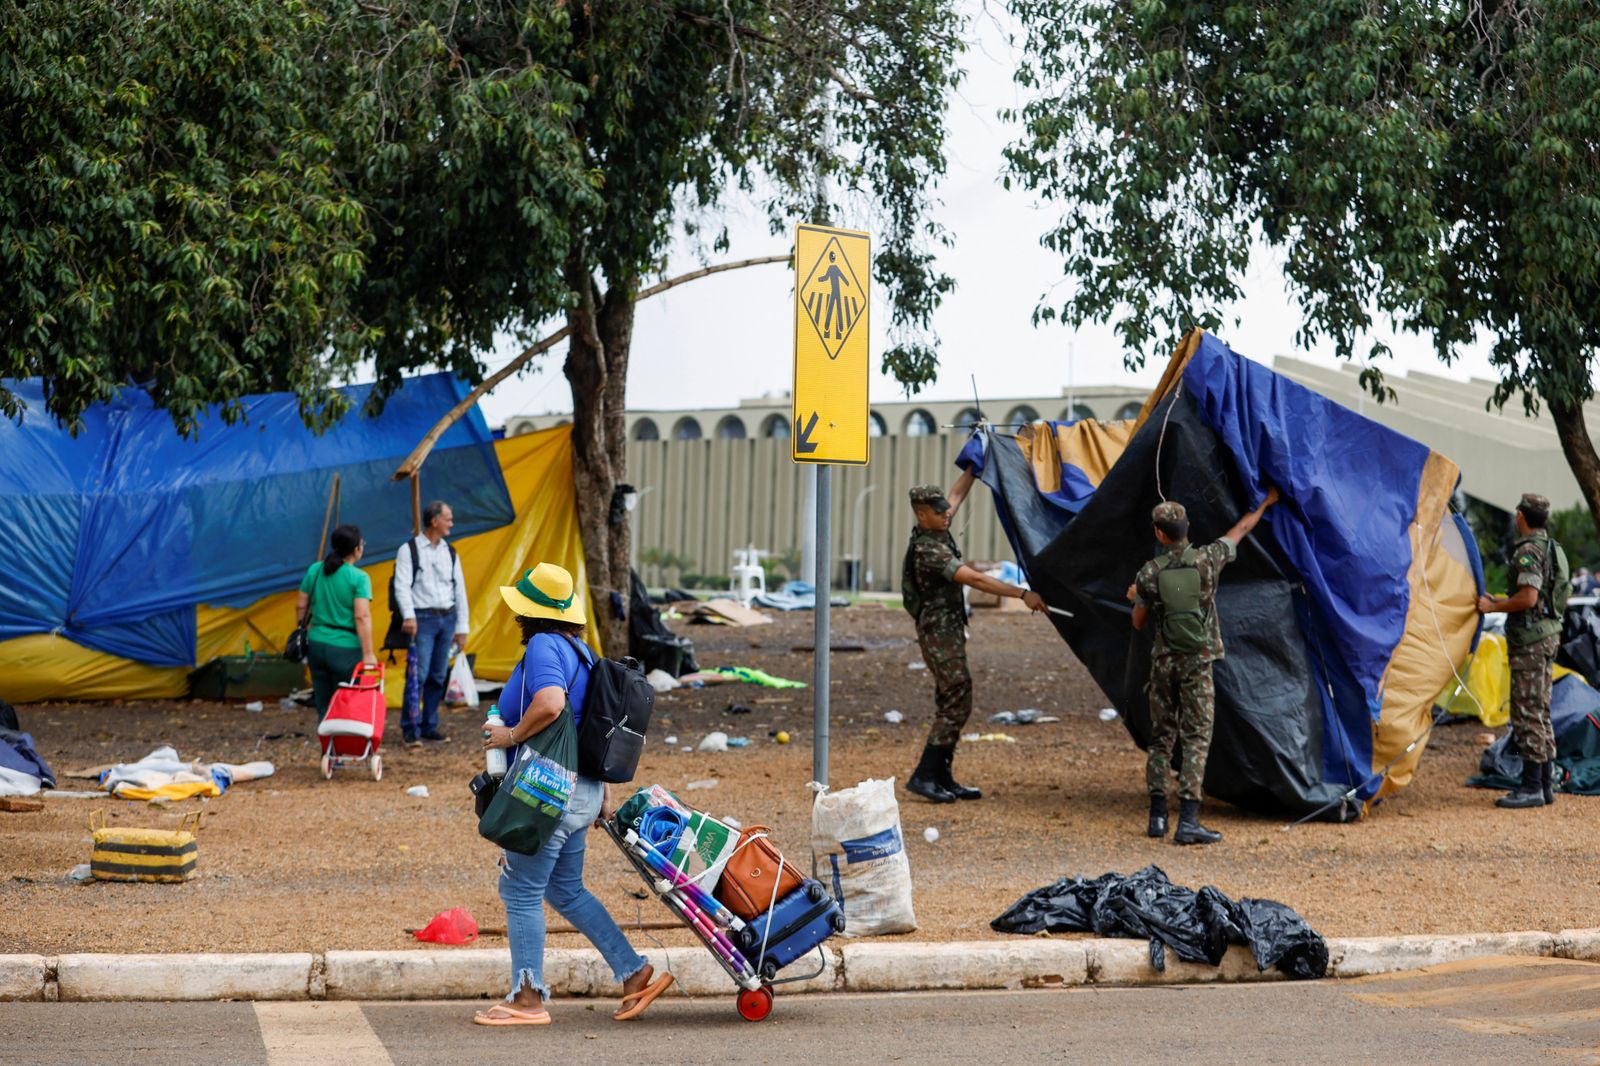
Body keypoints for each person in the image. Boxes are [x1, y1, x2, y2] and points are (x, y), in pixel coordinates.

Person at [475, 562, 673, 1027]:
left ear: (531, 613)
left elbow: (551, 705)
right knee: (566, 889)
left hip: (549, 793)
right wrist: (600, 792)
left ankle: (527, 999)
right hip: (581, 791)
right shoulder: (580, 651)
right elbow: (587, 726)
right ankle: (634, 971)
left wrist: (509, 736)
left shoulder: (545, 647)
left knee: (520, 889)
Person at [1128, 489, 1278, 845]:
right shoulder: (1209, 559)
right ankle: (1190, 820)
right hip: (1198, 662)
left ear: (1159, 534)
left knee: (1161, 737)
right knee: (1196, 737)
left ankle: (1158, 816)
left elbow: (1137, 623)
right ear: (1187, 527)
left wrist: (1137, 597)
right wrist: (1265, 502)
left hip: (1164, 663)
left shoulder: (1149, 573)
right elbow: (1241, 529)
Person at [902, 472, 1046, 804]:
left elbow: (955, 494)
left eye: (944, 511)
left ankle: (942, 776)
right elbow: (976, 580)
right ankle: (925, 775)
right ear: (921, 514)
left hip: (949, 629)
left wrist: (974, 463)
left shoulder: (937, 525)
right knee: (957, 699)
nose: (945, 515)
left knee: (952, 699)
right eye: (938, 512)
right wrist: (1021, 594)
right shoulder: (927, 550)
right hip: (938, 632)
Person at [1478, 493, 1565, 809]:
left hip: (1531, 641)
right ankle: (1544, 785)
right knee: (1541, 710)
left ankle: (1531, 788)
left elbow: (1528, 598)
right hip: (1546, 637)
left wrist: (1493, 606)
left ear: (1520, 516)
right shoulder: (1550, 547)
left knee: (1527, 711)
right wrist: (1501, 599)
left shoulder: (1528, 551)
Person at [394, 500, 470, 746]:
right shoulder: (409, 549)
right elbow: (402, 585)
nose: (451, 523)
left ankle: (429, 724)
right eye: (448, 518)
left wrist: (462, 627)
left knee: (438, 675)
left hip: (446, 617)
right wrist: (408, 615)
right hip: (423, 618)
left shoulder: (450, 552)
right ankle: (410, 726)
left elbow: (460, 590)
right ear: (434, 521)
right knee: (418, 674)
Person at [294, 525, 377, 720]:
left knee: (323, 703)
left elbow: (300, 605)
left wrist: (302, 630)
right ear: (356, 549)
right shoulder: (359, 577)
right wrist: (368, 653)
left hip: (316, 643)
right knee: (347, 702)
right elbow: (362, 616)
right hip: (345, 648)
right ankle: (344, 747)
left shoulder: (315, 570)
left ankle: (327, 748)